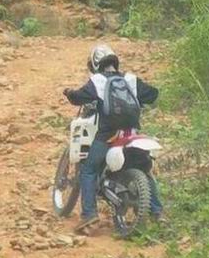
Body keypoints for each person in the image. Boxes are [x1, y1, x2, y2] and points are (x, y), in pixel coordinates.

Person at [63, 43, 162, 232]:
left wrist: (69, 92)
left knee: (88, 170)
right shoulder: (130, 79)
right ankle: (157, 212)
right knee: (144, 168)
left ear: (94, 64)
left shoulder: (98, 80)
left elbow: (78, 97)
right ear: (115, 61)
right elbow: (152, 94)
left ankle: (89, 214)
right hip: (132, 135)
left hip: (108, 136)